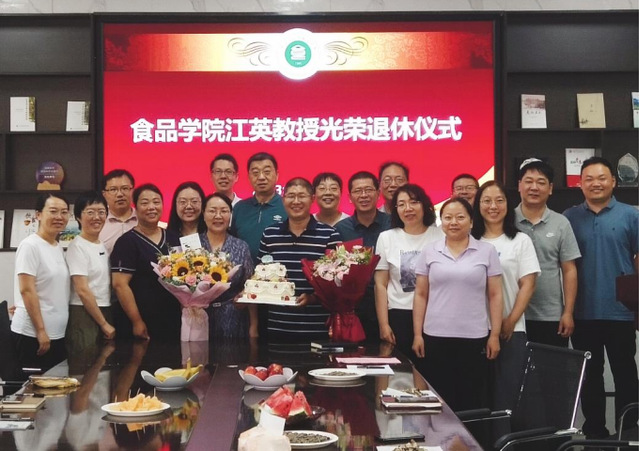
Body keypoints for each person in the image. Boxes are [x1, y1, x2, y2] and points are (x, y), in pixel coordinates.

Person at [564, 156, 639, 439]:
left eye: (602, 178)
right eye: (589, 179)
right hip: (582, 311)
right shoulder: (569, 217)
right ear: (580, 184)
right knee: (589, 376)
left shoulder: (631, 215)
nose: (596, 183)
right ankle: (595, 432)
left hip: (621, 310)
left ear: (613, 182)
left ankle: (627, 431)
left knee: (625, 373)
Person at [412, 197, 503, 411]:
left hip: (474, 336)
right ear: (441, 222)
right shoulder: (430, 251)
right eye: (448, 218)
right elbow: (421, 294)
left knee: (471, 399)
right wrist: (418, 334)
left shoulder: (487, 251)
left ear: (471, 221)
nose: (454, 222)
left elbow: (495, 295)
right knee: (438, 398)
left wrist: (495, 335)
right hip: (435, 335)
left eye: (460, 217)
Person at [471, 181, 540, 411]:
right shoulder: (469, 241)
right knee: (478, 397)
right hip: (474, 330)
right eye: (486, 201)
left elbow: (528, 284)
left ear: (508, 205)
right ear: (478, 205)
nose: (493, 206)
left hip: (512, 330)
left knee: (507, 398)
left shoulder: (520, 241)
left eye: (499, 200)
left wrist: (510, 320)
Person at [258, 177, 341, 342]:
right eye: (291, 196)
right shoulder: (269, 234)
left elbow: (337, 284)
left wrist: (313, 298)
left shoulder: (330, 235)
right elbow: (260, 276)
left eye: (302, 196)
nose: (296, 201)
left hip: (318, 327)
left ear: (312, 199)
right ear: (283, 199)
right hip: (278, 326)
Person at [515, 158, 580, 347]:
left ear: (550, 188)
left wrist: (568, 312)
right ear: (519, 185)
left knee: (551, 365)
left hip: (551, 316)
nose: (534, 187)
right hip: (513, 314)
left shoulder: (561, 223)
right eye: (528, 181)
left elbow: (569, 270)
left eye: (541, 182)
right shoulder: (506, 221)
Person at [374, 184, 443, 362]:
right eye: (401, 204)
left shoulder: (441, 236)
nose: (408, 208)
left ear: (425, 205)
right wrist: (384, 324)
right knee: (400, 373)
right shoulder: (387, 238)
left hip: (435, 314)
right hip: (399, 315)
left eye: (414, 202)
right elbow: (380, 284)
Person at [111, 184, 181, 340]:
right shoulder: (127, 242)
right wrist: (137, 321)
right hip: (141, 321)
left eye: (156, 202)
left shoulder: (173, 238)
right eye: (145, 203)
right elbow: (119, 284)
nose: (151, 207)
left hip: (172, 319)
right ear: (135, 208)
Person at [11, 193, 71, 371]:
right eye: (53, 211)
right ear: (38, 214)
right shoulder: (30, 245)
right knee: (33, 386)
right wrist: (41, 330)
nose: (59, 217)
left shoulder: (56, 246)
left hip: (56, 333)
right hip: (33, 334)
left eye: (64, 212)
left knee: (55, 385)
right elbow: (27, 290)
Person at [335, 171, 391, 341]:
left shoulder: (393, 224)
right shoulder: (341, 229)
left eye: (369, 190)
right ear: (349, 197)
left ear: (378, 193)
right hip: (353, 309)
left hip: (389, 304)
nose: (364, 195)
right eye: (358, 191)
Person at [199, 193, 256, 339]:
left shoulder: (241, 246)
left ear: (230, 215)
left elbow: (250, 284)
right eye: (212, 211)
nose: (218, 216)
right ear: (203, 214)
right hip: (197, 317)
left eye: (224, 211)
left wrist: (254, 325)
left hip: (233, 317)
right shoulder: (192, 245)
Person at [66, 192, 115, 353]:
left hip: (103, 308)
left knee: (102, 360)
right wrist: (103, 323)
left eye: (101, 212)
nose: (97, 217)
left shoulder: (101, 245)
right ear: (78, 217)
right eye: (90, 212)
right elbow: (82, 290)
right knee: (84, 360)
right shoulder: (77, 247)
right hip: (84, 313)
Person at [231, 152, 287, 262]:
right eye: (255, 173)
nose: (261, 177)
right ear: (249, 177)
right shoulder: (240, 208)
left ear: (277, 175)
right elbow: (233, 243)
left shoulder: (287, 206)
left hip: (280, 271)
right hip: (244, 271)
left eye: (267, 172)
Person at [99, 169, 137, 254]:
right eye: (113, 189)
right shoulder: (98, 223)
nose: (120, 194)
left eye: (125, 188)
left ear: (133, 191)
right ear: (104, 194)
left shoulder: (144, 220)